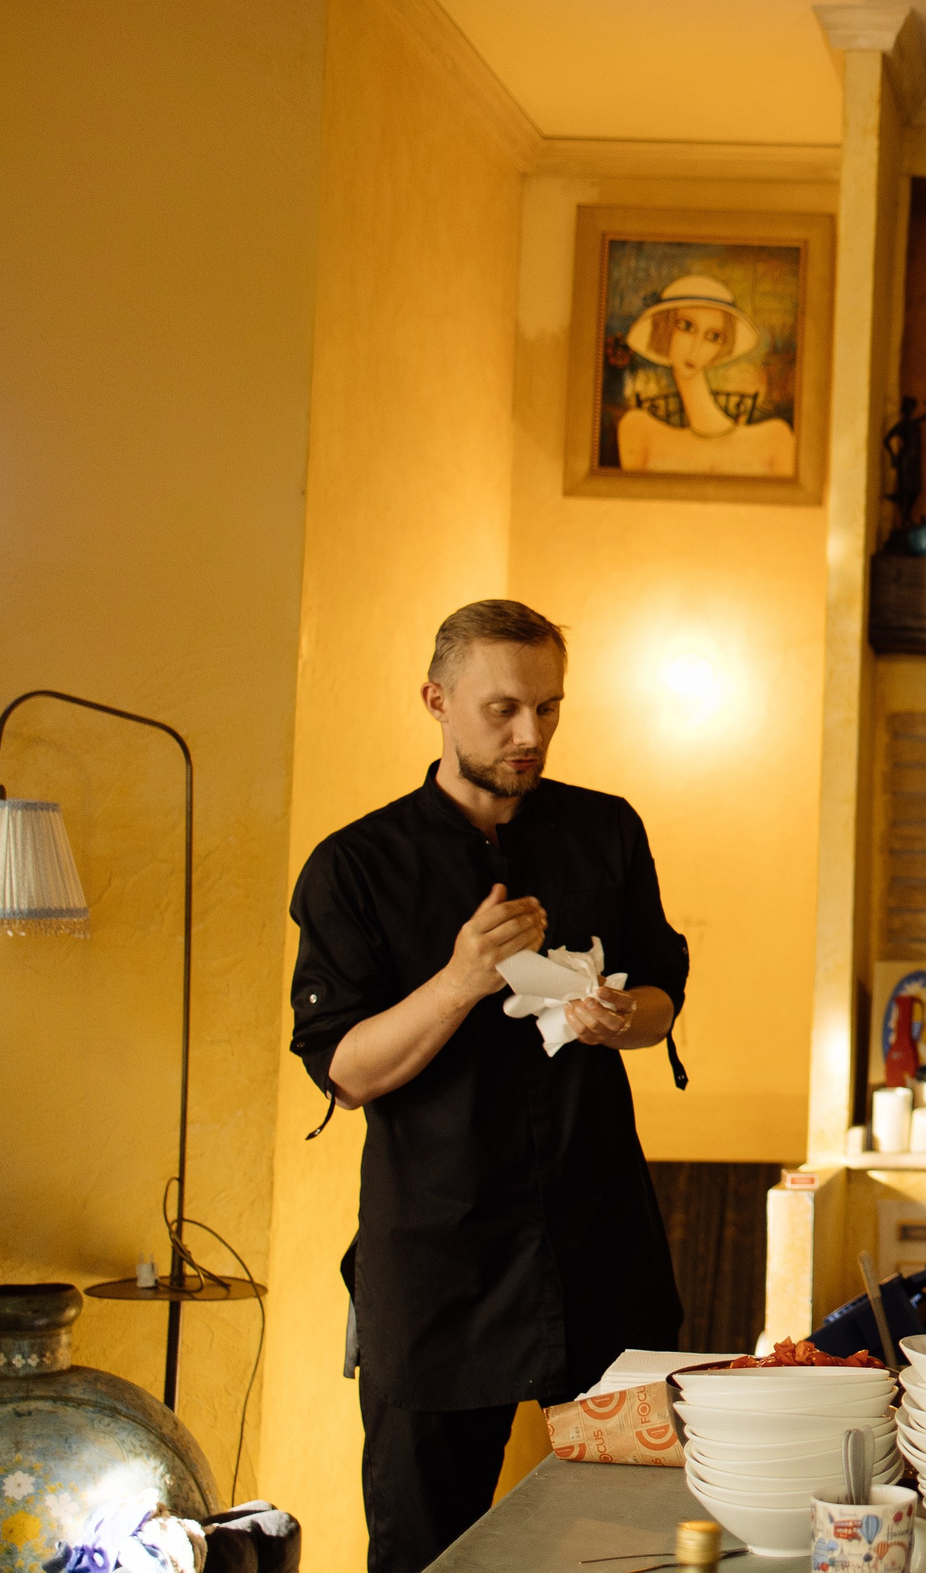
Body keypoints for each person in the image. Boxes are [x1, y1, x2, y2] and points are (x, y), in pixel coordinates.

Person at [287, 600, 692, 1573]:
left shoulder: (607, 830)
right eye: (503, 709)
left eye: (549, 710)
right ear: (435, 700)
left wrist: (616, 1018)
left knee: (633, 1544)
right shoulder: (354, 868)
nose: (529, 736)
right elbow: (345, 1070)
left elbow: (662, 998)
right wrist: (461, 980)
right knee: (427, 1554)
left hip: (603, 1257)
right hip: (436, 1280)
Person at [615, 273, 796, 476]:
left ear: (721, 347)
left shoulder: (775, 437)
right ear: (664, 329)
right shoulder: (638, 429)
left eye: (713, 336)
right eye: (686, 326)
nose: (696, 347)